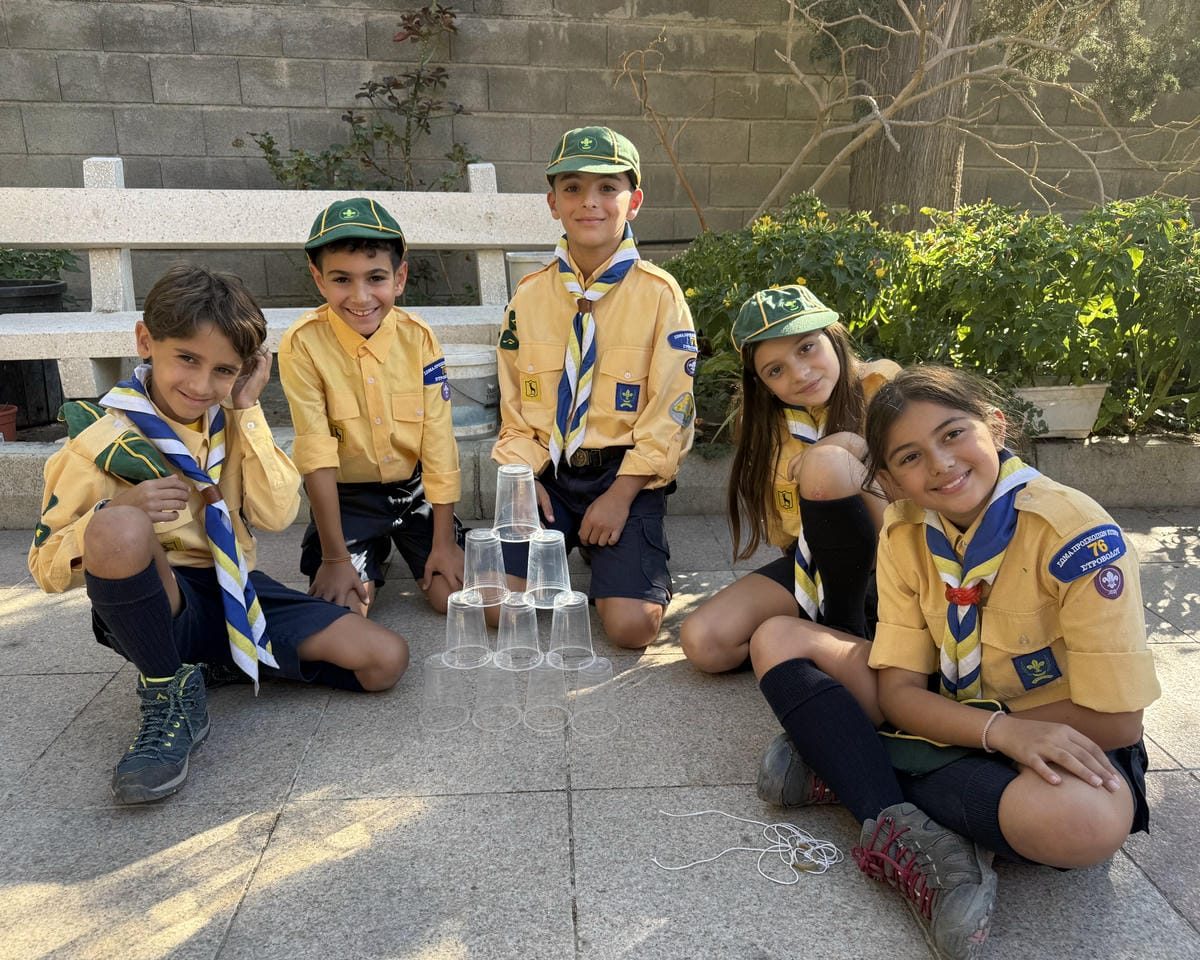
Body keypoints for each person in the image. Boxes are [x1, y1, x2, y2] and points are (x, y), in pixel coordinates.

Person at [749, 364, 1159, 960]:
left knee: (1087, 823)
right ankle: (911, 830)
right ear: (888, 480)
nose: (941, 464)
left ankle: (849, 766)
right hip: (957, 713)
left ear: (995, 426)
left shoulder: (1075, 535)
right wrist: (995, 732)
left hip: (1058, 730)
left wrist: (1003, 731)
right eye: (910, 457)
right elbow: (900, 692)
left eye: (953, 434)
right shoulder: (903, 531)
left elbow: (1118, 722)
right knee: (777, 638)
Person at [28, 264, 409, 805]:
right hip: (161, 601)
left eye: (224, 370)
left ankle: (218, 661)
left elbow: (277, 514)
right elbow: (44, 566)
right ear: (145, 341)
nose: (202, 385)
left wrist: (248, 409)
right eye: (187, 359)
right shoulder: (100, 440)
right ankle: (168, 695)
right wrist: (118, 510)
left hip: (236, 589)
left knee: (384, 660)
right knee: (118, 524)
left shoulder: (231, 421)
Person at [492, 125, 696, 649]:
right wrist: (522, 480)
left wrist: (621, 496)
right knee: (496, 609)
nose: (590, 202)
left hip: (624, 473)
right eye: (573, 188)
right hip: (550, 473)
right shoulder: (528, 297)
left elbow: (671, 412)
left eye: (608, 188)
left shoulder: (660, 296)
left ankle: (616, 549)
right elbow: (514, 406)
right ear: (553, 203)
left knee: (632, 628)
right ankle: (581, 543)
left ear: (634, 202)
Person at [679, 284, 898, 672]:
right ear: (762, 383)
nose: (800, 373)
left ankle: (846, 633)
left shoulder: (886, 390)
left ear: (833, 335)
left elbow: (925, 505)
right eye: (775, 370)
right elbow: (788, 534)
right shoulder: (769, 428)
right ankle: (821, 639)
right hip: (818, 566)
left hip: (899, 569)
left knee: (826, 463)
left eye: (806, 347)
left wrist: (853, 447)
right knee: (704, 642)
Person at [279, 197, 464, 618]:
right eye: (342, 279)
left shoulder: (419, 339)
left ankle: (404, 543)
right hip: (348, 499)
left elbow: (438, 440)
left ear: (400, 278)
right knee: (345, 611)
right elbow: (315, 453)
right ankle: (368, 548)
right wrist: (335, 557)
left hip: (414, 493)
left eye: (376, 278)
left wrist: (444, 543)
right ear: (319, 279)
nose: (360, 297)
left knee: (455, 599)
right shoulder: (302, 343)